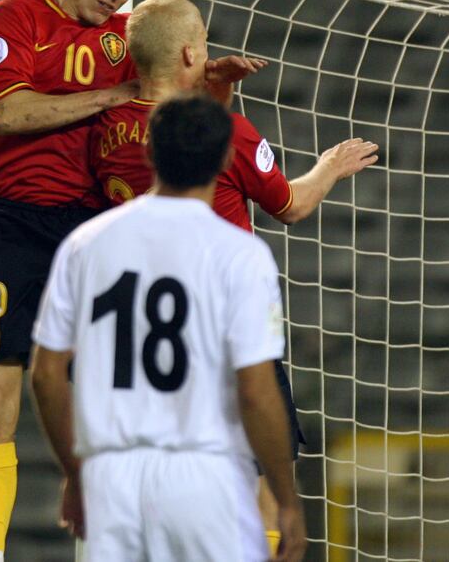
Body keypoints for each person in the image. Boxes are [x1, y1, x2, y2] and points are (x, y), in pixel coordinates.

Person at [0, 0, 265, 561]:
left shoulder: (130, 37)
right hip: (15, 224)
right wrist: (112, 92)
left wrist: (211, 84)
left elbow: (170, 106)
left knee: (127, 395)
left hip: (98, 231)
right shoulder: (15, 18)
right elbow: (6, 113)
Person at [88, 0, 379, 553]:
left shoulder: (102, 132)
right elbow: (289, 206)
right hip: (222, 326)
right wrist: (330, 168)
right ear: (190, 51)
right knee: (258, 484)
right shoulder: (229, 134)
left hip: (139, 342)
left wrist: (212, 88)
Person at [31, 96, 307, 561]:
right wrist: (286, 499)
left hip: (111, 479)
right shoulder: (239, 253)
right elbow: (257, 391)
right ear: (225, 159)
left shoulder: (85, 244)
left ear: (149, 153)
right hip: (206, 476)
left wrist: (76, 473)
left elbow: (44, 374)